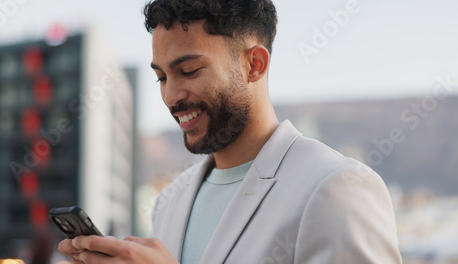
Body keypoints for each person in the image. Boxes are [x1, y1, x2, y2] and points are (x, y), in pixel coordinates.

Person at [58, 0, 403, 263]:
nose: (170, 96)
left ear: (254, 65)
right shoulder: (170, 201)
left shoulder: (337, 189)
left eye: (189, 71)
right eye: (162, 77)